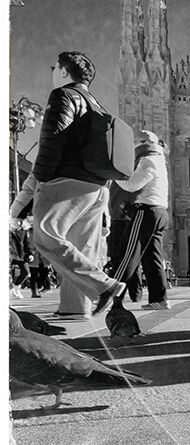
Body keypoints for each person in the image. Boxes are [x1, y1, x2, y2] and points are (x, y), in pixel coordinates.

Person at [8, 52, 126, 317]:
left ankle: (103, 286)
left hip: (67, 182)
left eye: (55, 67)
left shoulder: (64, 95)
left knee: (46, 236)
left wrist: (43, 180)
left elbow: (53, 140)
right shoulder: (97, 105)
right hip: (97, 188)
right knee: (82, 246)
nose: (53, 72)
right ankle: (75, 308)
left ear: (63, 71)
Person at [104, 130, 172, 310]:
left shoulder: (148, 159)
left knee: (128, 255)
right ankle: (160, 299)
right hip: (160, 212)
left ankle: (111, 295)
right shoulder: (160, 160)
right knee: (152, 258)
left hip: (146, 212)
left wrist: (115, 174)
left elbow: (132, 185)